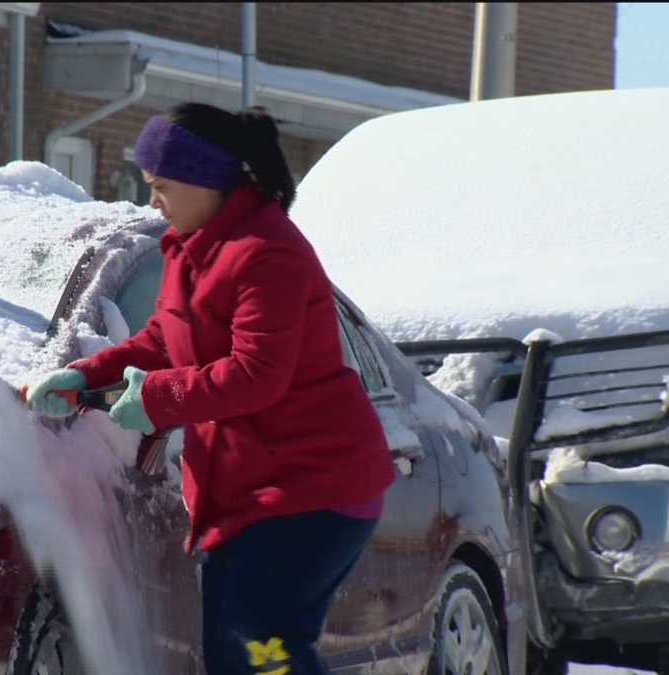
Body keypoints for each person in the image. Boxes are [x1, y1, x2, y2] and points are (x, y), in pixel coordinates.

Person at [23, 103, 395, 675]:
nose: (154, 202)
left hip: (311, 486)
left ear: (208, 179)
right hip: (254, 491)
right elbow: (164, 340)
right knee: (240, 650)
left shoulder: (267, 253)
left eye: (162, 186)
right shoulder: (191, 247)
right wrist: (89, 374)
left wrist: (153, 399)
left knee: (259, 647)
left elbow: (256, 374)